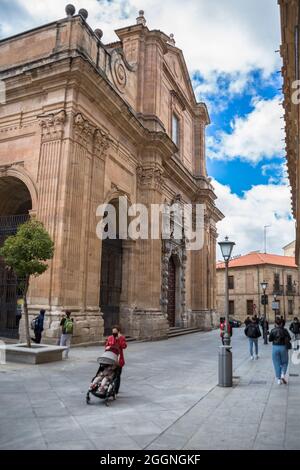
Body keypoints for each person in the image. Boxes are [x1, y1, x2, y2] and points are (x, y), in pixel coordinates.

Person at [269, 317, 291, 385]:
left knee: (276, 363)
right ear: (281, 323)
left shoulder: (273, 330)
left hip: (275, 347)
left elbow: (270, 339)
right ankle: (282, 374)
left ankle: (278, 379)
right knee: (285, 362)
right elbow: (289, 338)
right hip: (283, 347)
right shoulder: (285, 330)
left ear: (275, 323)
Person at [105, 325, 127, 394]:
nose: (114, 334)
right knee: (109, 374)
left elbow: (124, 346)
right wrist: (107, 347)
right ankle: (109, 388)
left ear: (118, 332)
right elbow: (106, 346)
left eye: (115, 332)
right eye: (113, 332)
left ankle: (116, 391)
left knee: (117, 375)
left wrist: (119, 338)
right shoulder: (110, 338)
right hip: (111, 358)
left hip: (118, 359)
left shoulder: (122, 338)